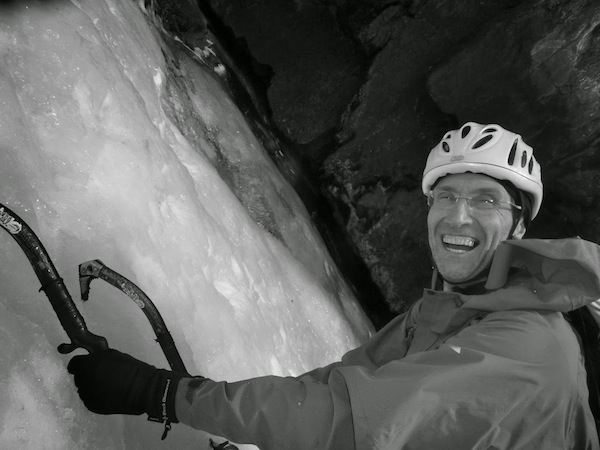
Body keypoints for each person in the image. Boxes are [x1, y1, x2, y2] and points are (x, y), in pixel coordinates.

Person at [68, 122, 600, 449]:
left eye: (485, 200)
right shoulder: (446, 309)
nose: (458, 216)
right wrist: (213, 403)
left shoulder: (530, 346)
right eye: (446, 196)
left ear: (519, 225)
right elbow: (343, 381)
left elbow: (347, 424)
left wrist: (158, 394)